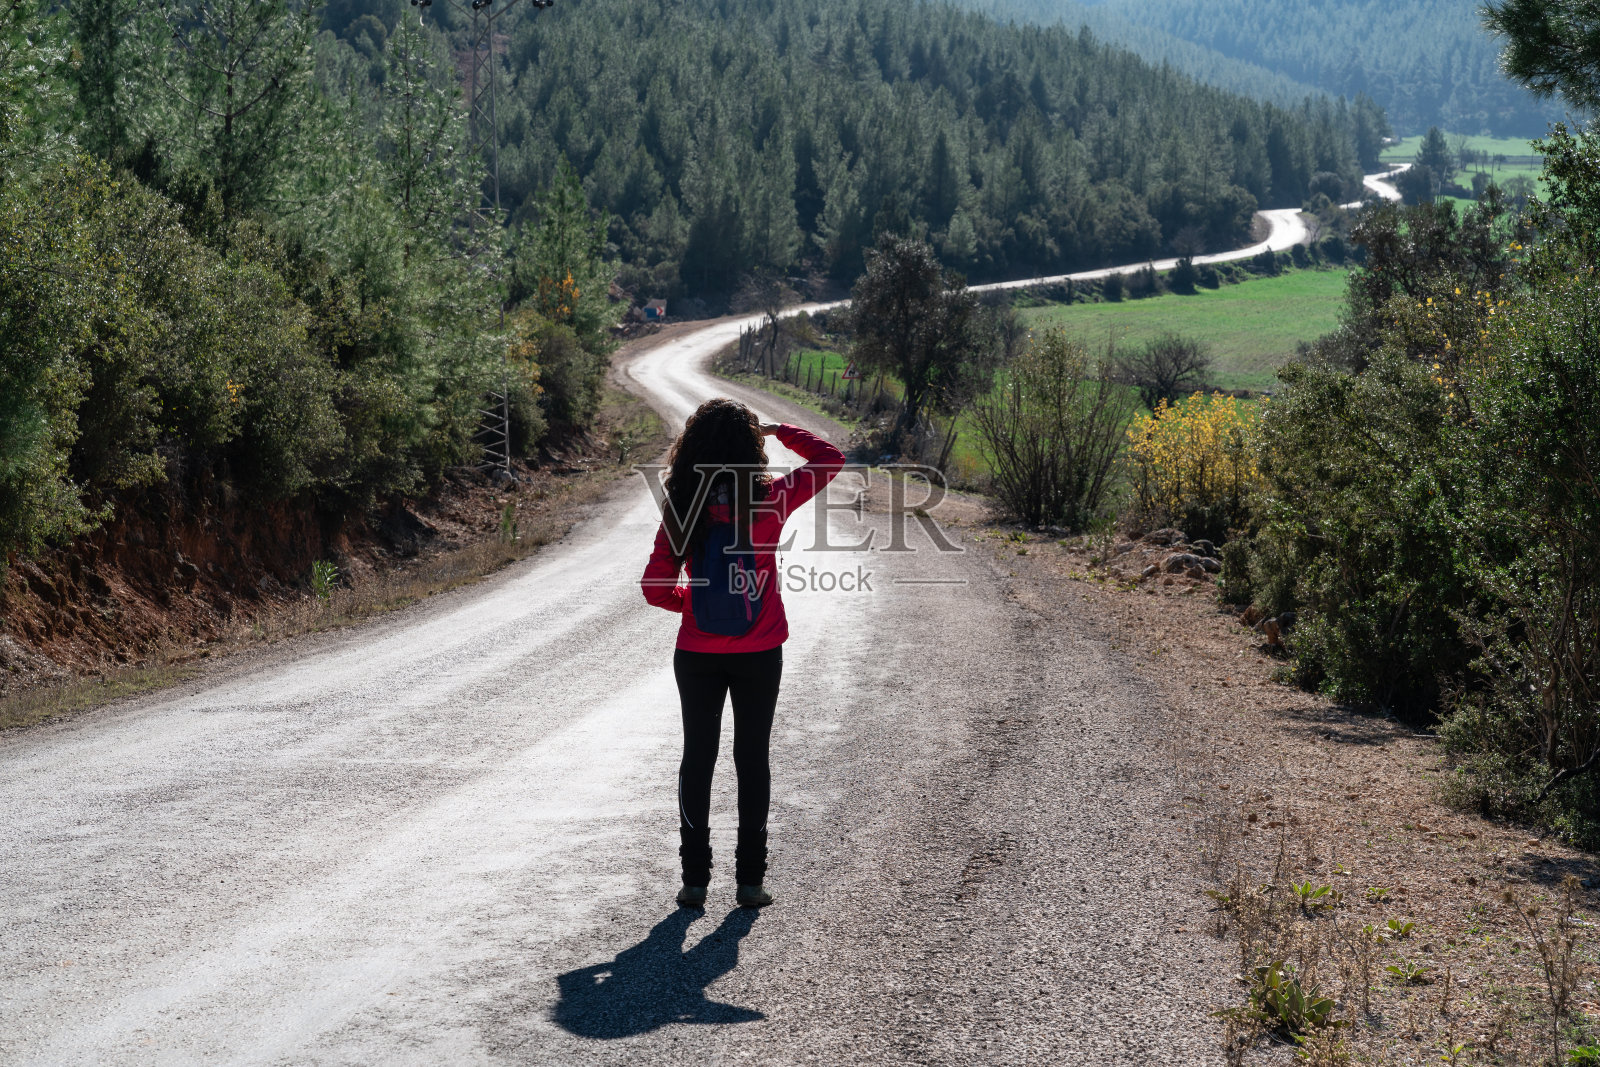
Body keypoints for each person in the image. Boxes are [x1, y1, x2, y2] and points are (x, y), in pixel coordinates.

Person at [641, 398, 845, 909]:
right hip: (760, 647)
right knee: (751, 758)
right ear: (750, 450)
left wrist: (693, 603)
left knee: (698, 756)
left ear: (692, 450)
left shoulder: (684, 504)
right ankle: (750, 882)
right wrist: (780, 431)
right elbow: (831, 459)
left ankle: (694, 881)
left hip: (697, 651)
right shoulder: (771, 499)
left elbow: (654, 586)